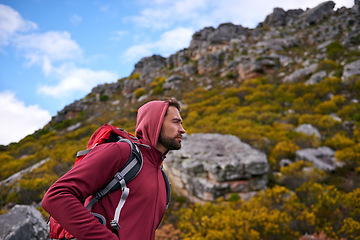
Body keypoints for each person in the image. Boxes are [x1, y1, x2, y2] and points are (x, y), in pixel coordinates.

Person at [42, 99, 186, 240]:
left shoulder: (162, 178)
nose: (182, 130)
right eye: (175, 122)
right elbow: (56, 196)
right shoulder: (122, 152)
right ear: (156, 122)